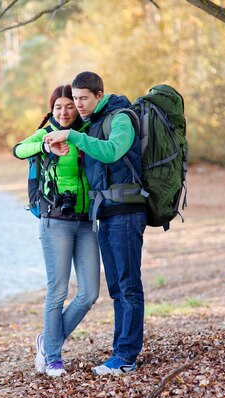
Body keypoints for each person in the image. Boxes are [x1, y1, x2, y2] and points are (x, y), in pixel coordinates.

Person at [44, 71, 146, 375]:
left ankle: (126, 356)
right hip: (105, 214)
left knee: (128, 286)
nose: (79, 104)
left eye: (84, 98)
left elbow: (113, 151)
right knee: (116, 288)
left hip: (127, 211)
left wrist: (74, 136)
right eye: (75, 99)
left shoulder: (121, 118)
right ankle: (119, 353)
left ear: (99, 95)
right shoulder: (91, 124)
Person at [13, 84, 100, 377]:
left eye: (69, 106)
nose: (63, 112)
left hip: (87, 221)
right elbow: (18, 149)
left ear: (78, 107)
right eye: (58, 106)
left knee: (89, 293)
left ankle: (47, 341)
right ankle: (52, 357)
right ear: (52, 109)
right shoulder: (46, 132)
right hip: (55, 222)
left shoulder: (86, 132)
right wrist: (43, 146)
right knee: (58, 290)